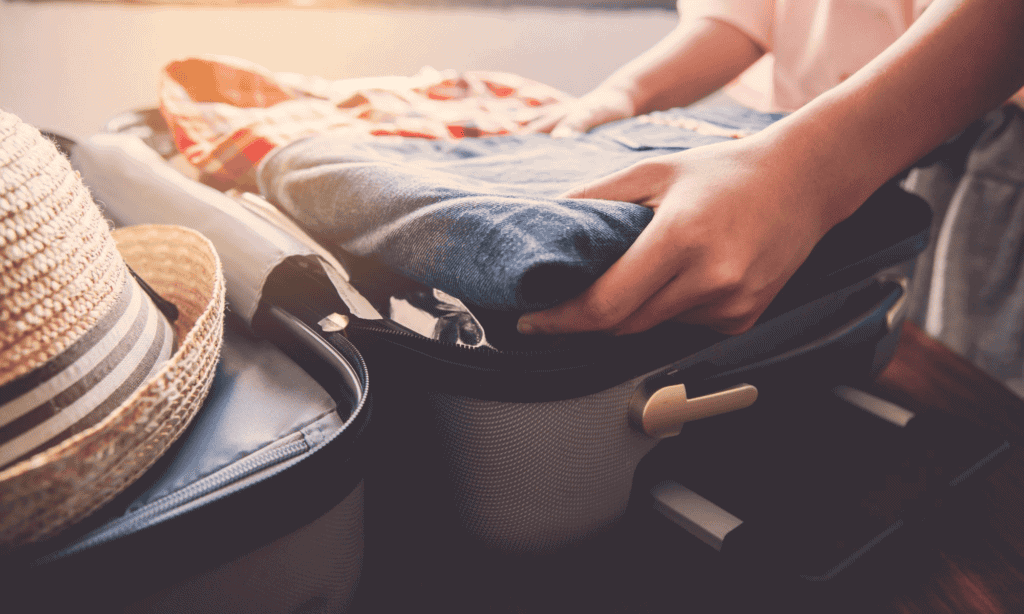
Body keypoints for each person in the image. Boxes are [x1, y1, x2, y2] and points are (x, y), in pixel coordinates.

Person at [514, 0, 1024, 344]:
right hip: (813, 130)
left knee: (965, 375)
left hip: (993, 144)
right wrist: (628, 92)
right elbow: (752, 11)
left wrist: (812, 170)